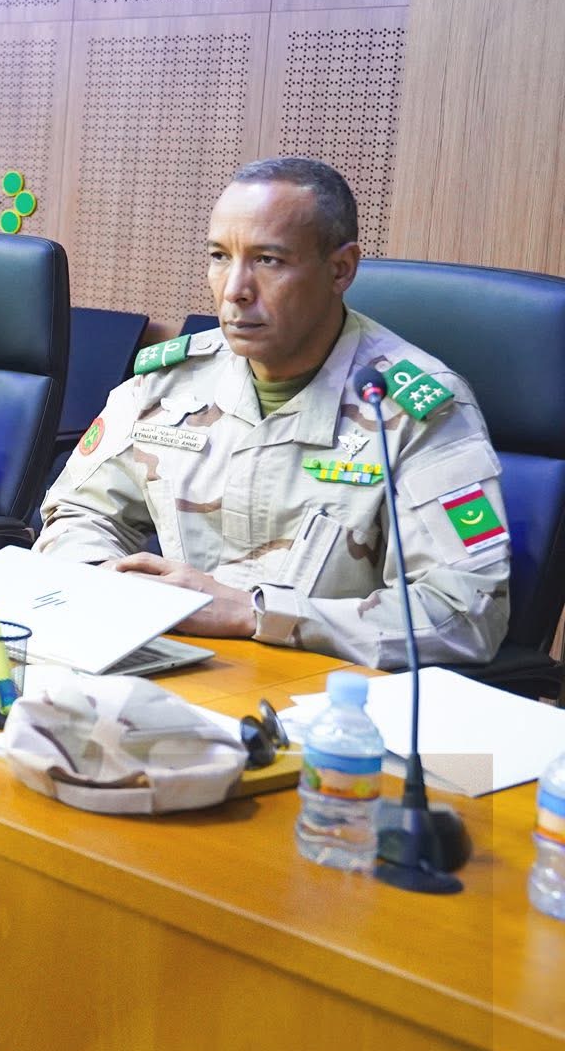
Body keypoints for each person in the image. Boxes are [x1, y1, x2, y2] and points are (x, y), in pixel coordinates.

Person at [36, 158, 511, 669]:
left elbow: (466, 611)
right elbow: (77, 512)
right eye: (220, 257)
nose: (234, 290)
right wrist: (109, 582)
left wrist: (257, 613)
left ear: (341, 270)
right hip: (176, 669)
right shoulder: (169, 382)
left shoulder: (412, 409)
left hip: (328, 693)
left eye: (267, 260)